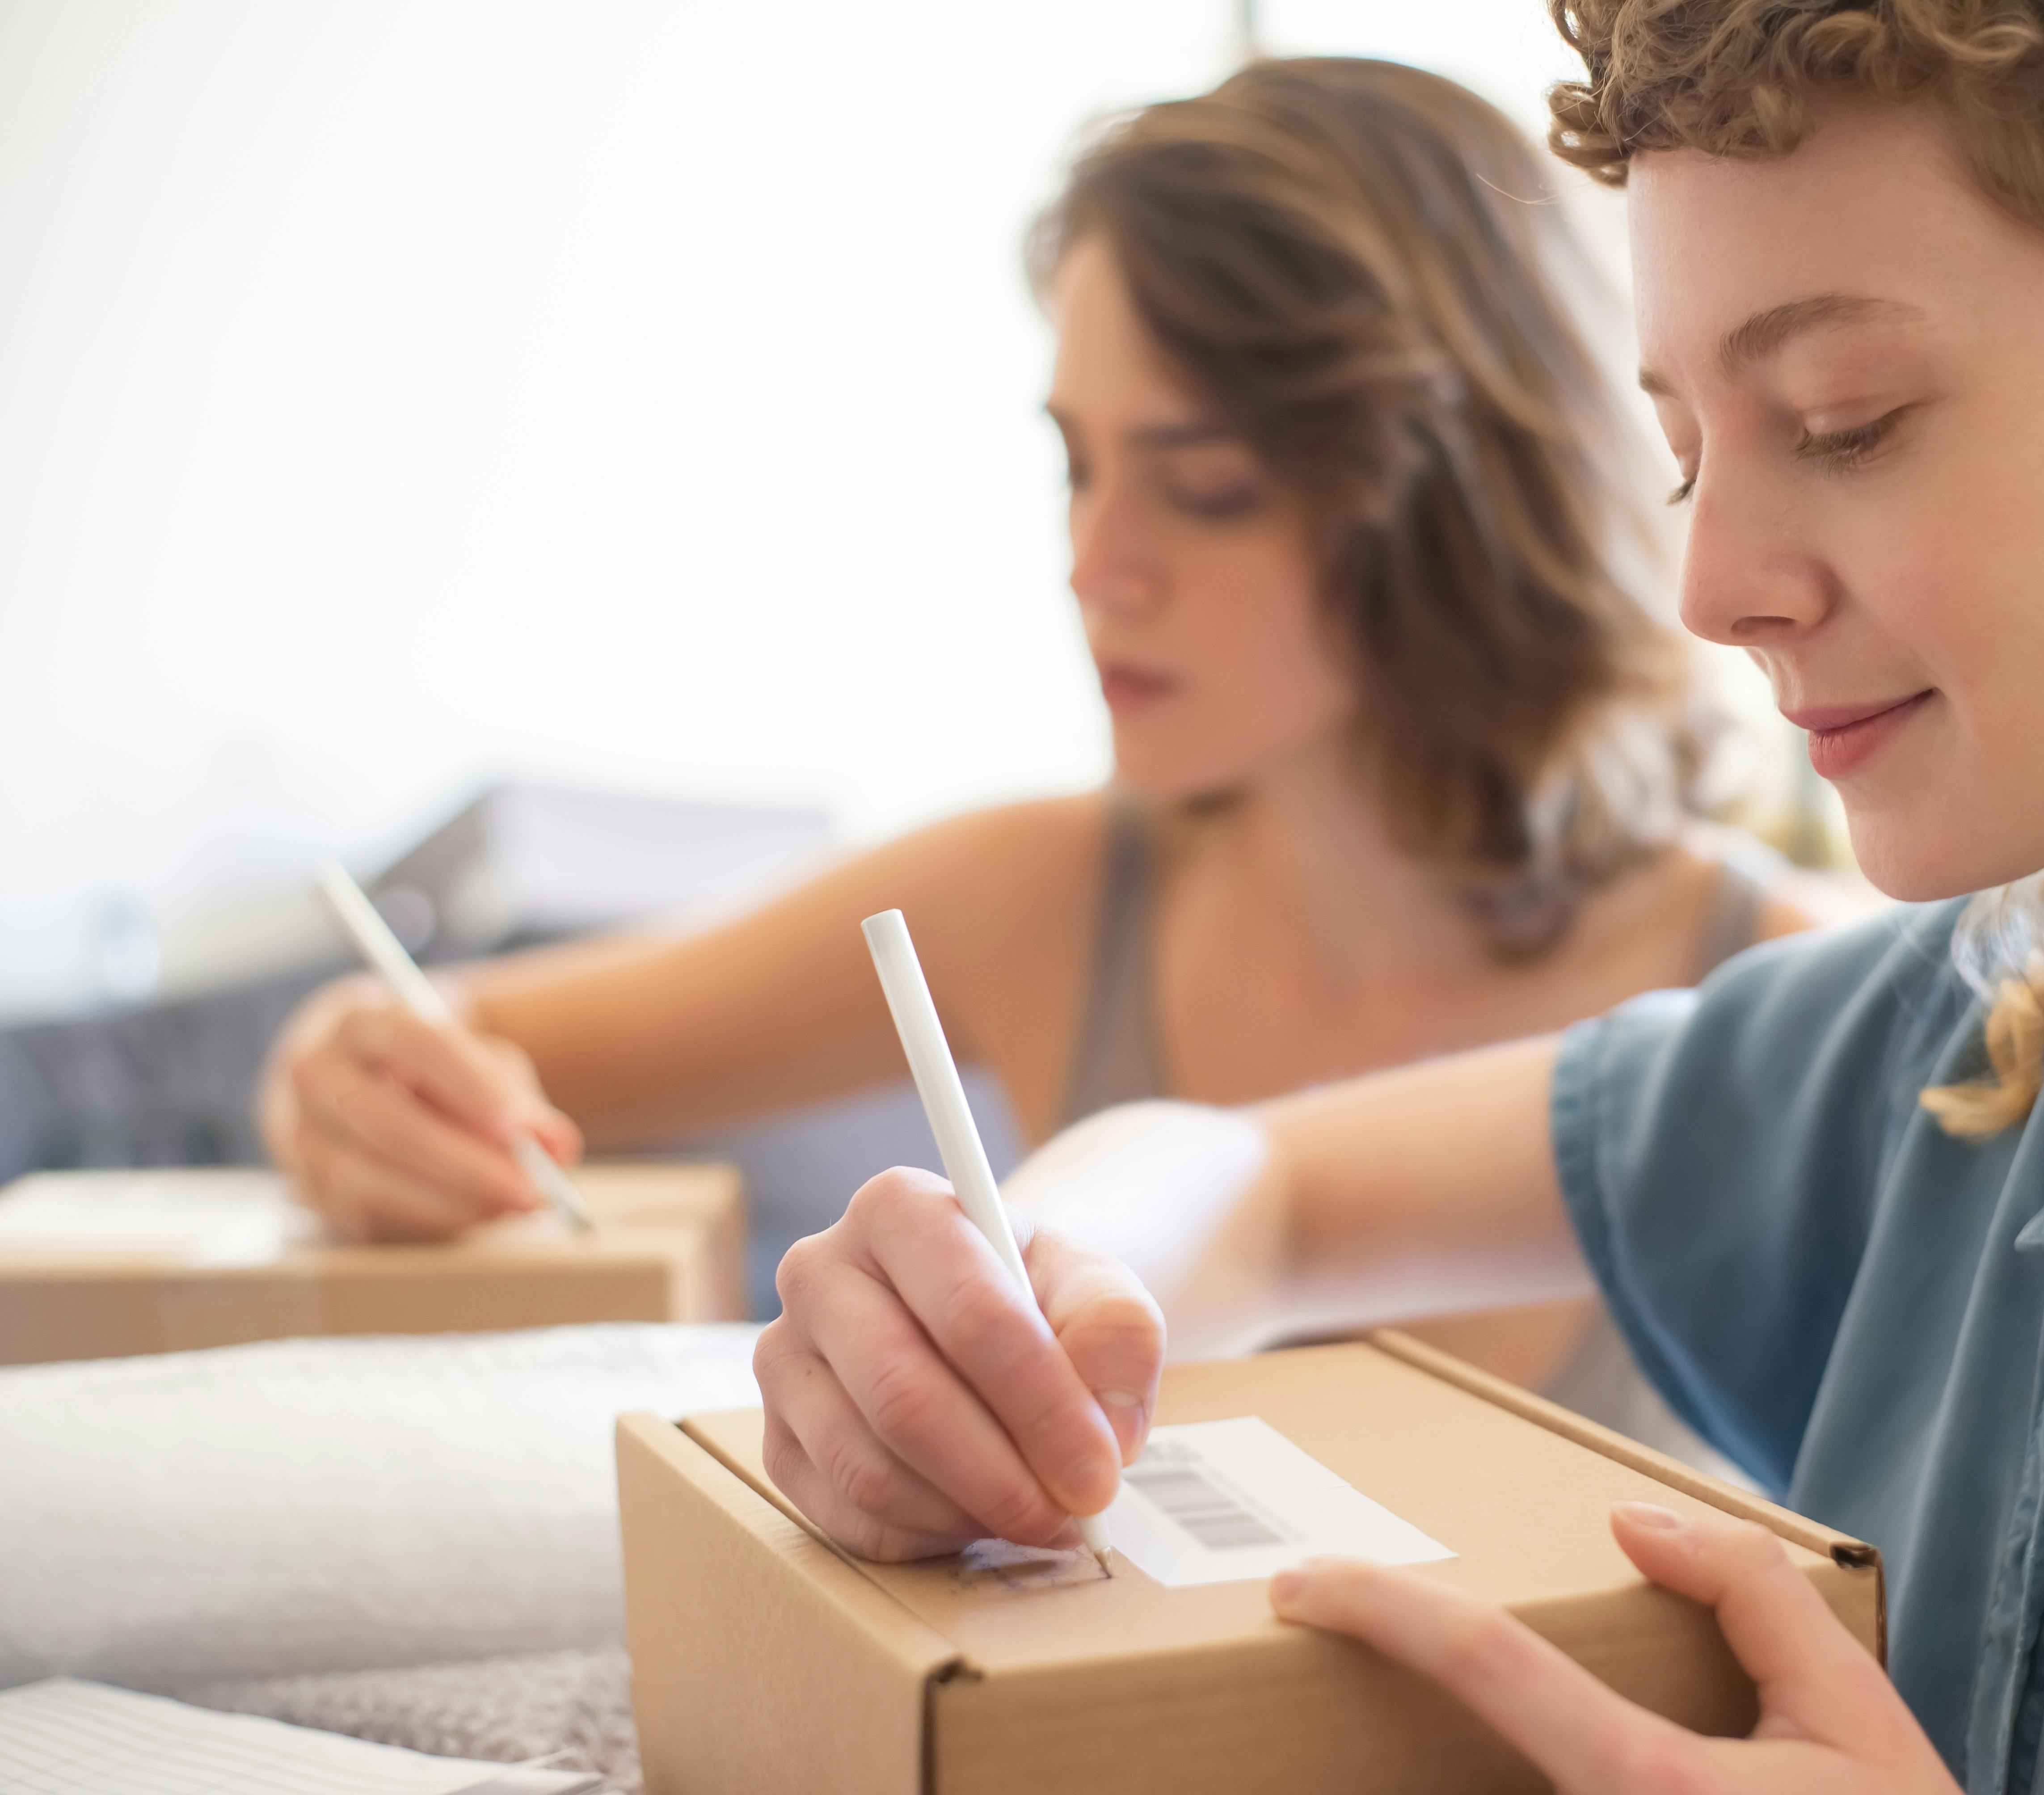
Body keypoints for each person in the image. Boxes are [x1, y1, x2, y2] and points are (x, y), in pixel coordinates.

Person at [748, 0, 2044, 1789]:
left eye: (1845, 420)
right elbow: (1259, 1181)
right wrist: (1025, 1291)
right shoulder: (1948, 1052)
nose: (1713, 581)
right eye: (1686, 444)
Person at [254, 58, 1846, 1425]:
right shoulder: (1039, 894)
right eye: (1078, 469)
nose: (1097, 564)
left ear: (1468, 498)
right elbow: (431, 1035)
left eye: (1201, 483)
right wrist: (347, 1085)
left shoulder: (1793, 997)